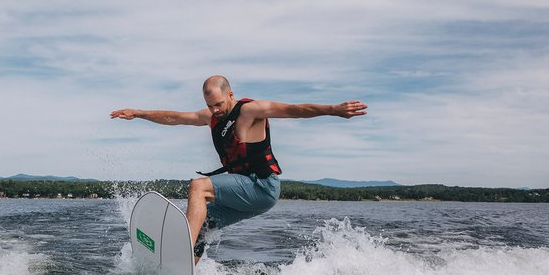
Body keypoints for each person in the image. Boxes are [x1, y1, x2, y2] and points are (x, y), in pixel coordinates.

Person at [110, 75, 367, 259]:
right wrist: (139, 113)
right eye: (210, 105)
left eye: (219, 104)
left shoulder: (251, 110)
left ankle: (181, 247)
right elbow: (174, 117)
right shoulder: (211, 116)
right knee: (203, 226)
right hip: (249, 193)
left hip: (261, 186)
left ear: (230, 95)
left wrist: (333, 109)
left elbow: (294, 110)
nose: (214, 110)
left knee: (198, 187)